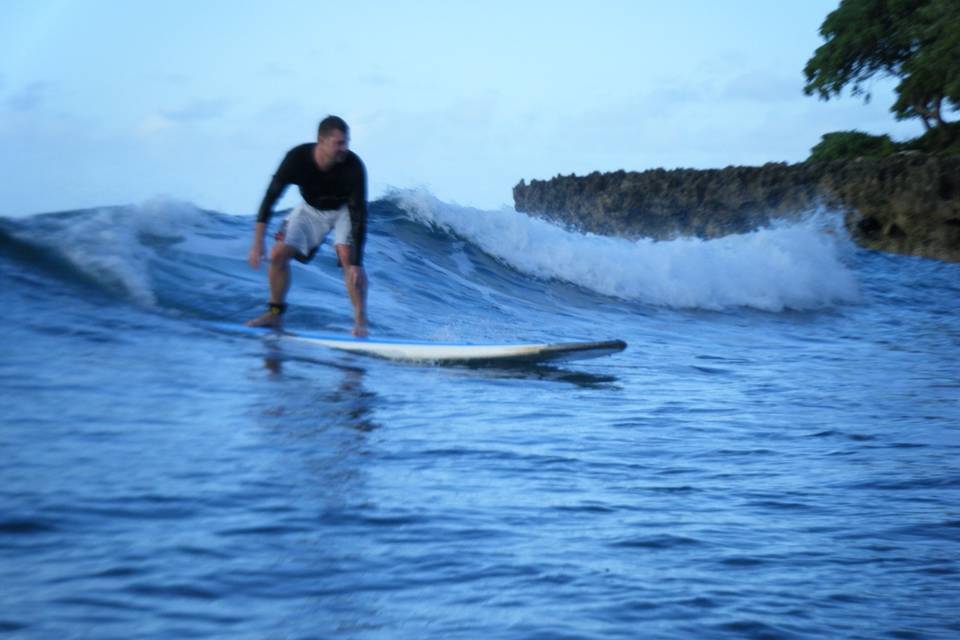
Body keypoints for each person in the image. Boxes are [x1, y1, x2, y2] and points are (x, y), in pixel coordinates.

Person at [246, 116, 369, 337]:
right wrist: (257, 244)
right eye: (339, 143)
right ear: (320, 141)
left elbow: (359, 214)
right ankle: (275, 313)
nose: (345, 149)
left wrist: (357, 263)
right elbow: (270, 198)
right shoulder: (297, 159)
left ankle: (360, 322)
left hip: (343, 210)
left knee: (346, 256)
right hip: (310, 209)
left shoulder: (353, 167)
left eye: (346, 143)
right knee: (277, 255)